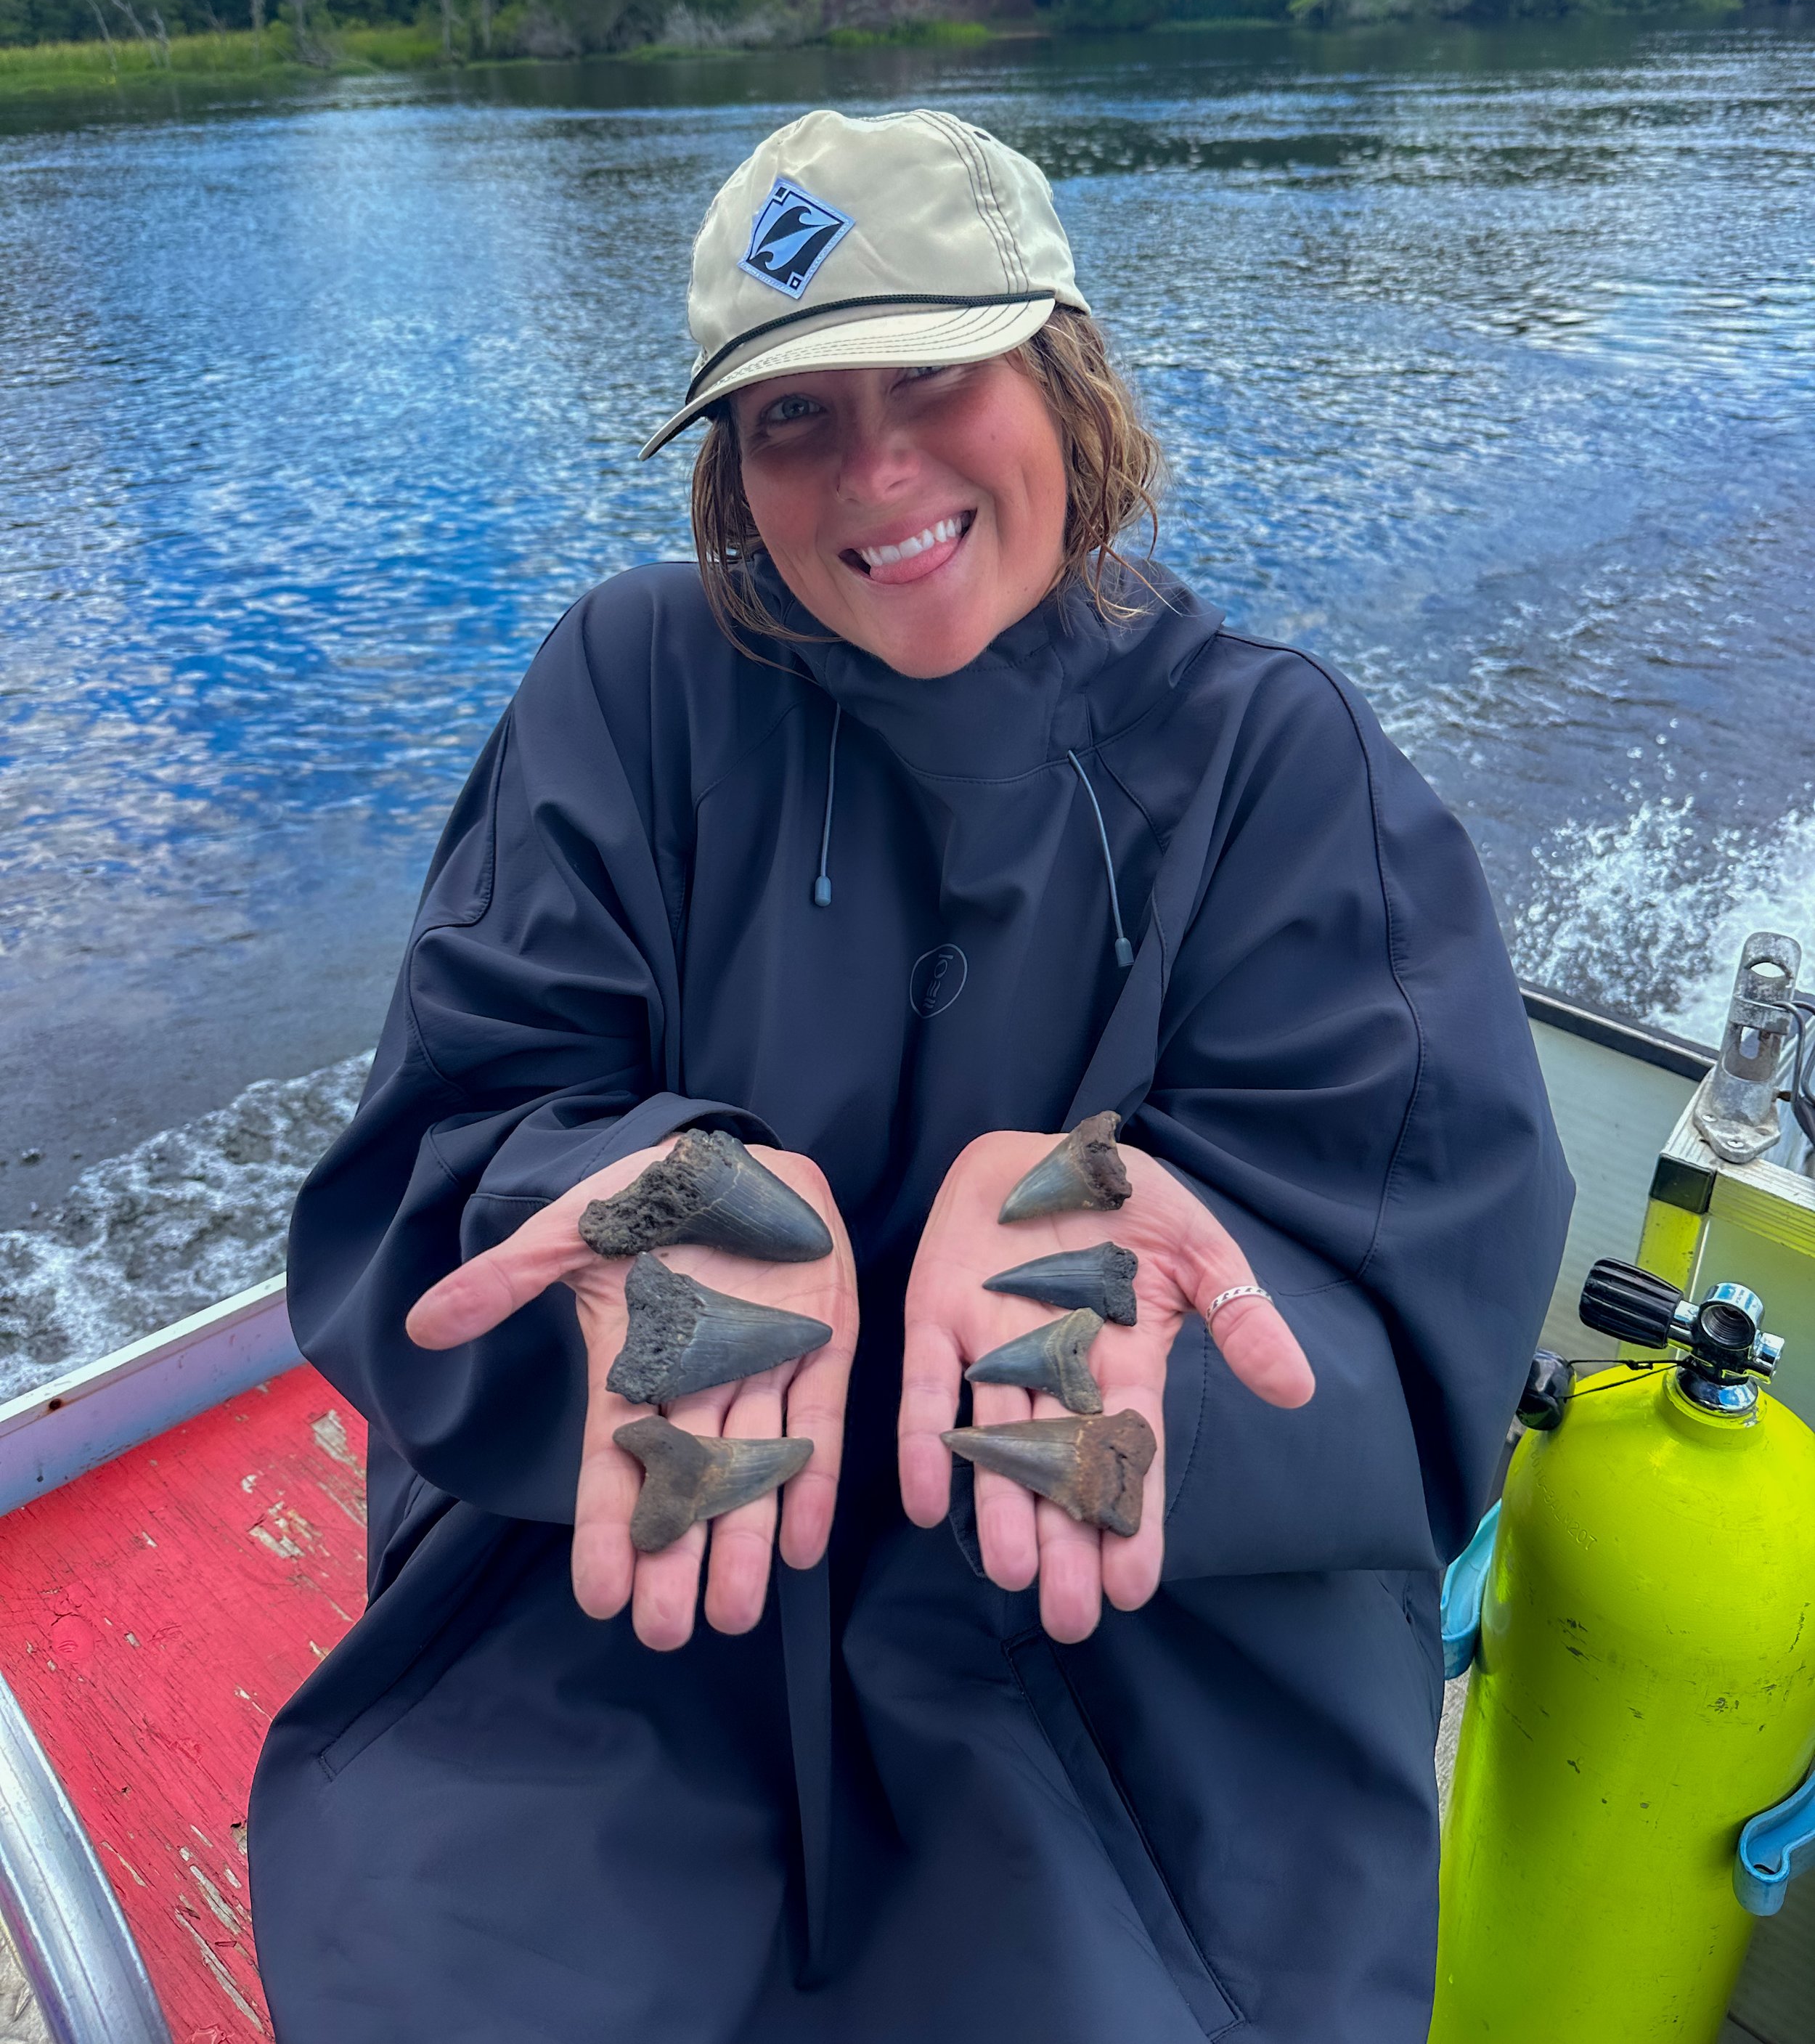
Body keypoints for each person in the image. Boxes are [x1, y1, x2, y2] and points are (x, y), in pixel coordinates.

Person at [249, 107, 1571, 2044]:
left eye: (936, 376)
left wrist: (1147, 1346)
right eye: (791, 418)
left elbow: (1405, 1299)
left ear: (1062, 370)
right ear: (729, 464)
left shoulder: (1280, 769)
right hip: (625, 1619)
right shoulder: (626, 692)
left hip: (1117, 1687)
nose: (875, 471)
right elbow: (453, 1145)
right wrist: (636, 1204)